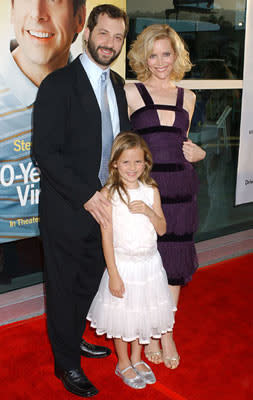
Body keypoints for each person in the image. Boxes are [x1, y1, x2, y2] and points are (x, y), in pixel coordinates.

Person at [33, 4, 130, 398]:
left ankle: (74, 337)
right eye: (103, 33)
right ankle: (66, 363)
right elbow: (46, 152)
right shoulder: (58, 84)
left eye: (118, 37)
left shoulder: (119, 85)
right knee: (63, 286)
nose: (110, 43)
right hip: (68, 209)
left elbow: (120, 143)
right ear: (87, 32)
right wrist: (88, 195)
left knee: (91, 279)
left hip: (106, 208)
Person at [125, 24, 206, 369]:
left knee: (174, 266)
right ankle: (149, 330)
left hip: (181, 190)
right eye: (153, 54)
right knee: (148, 264)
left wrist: (200, 154)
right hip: (148, 191)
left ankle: (165, 332)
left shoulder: (188, 95)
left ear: (176, 55)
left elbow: (183, 144)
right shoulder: (130, 92)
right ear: (143, 56)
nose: (160, 61)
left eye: (166, 53)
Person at [87, 132, 176, 389]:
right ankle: (123, 362)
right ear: (114, 163)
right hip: (123, 266)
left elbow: (162, 229)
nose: (132, 168)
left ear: (145, 162)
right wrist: (113, 273)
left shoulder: (151, 190)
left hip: (149, 265)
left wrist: (148, 210)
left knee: (142, 313)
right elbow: (106, 237)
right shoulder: (109, 193)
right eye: (126, 162)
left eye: (138, 162)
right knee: (123, 315)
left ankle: (138, 358)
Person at [0, 0, 86, 242]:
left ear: (79, 17)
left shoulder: (95, 93)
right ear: (13, 9)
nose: (38, 14)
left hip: (75, 252)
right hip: (13, 270)